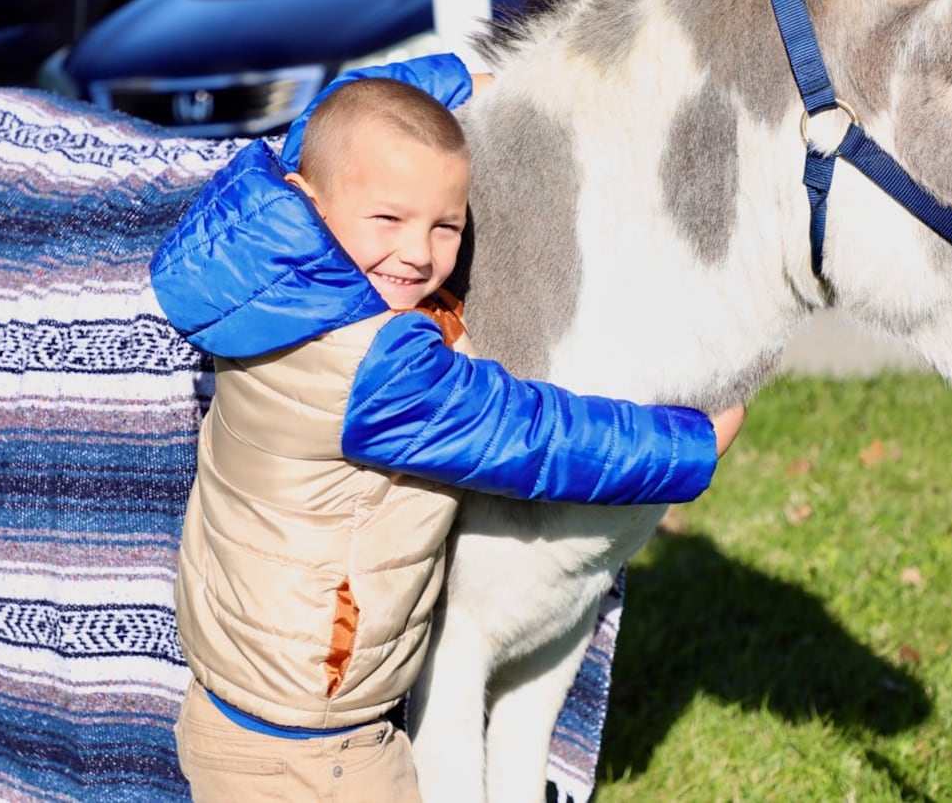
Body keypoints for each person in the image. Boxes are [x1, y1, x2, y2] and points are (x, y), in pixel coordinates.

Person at [149, 54, 744, 802]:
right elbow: (529, 436)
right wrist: (689, 445)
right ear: (311, 199)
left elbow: (332, 118)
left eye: (446, 225)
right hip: (313, 744)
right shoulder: (368, 367)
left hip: (237, 707)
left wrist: (462, 83)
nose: (418, 252)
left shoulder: (258, 261)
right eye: (389, 219)